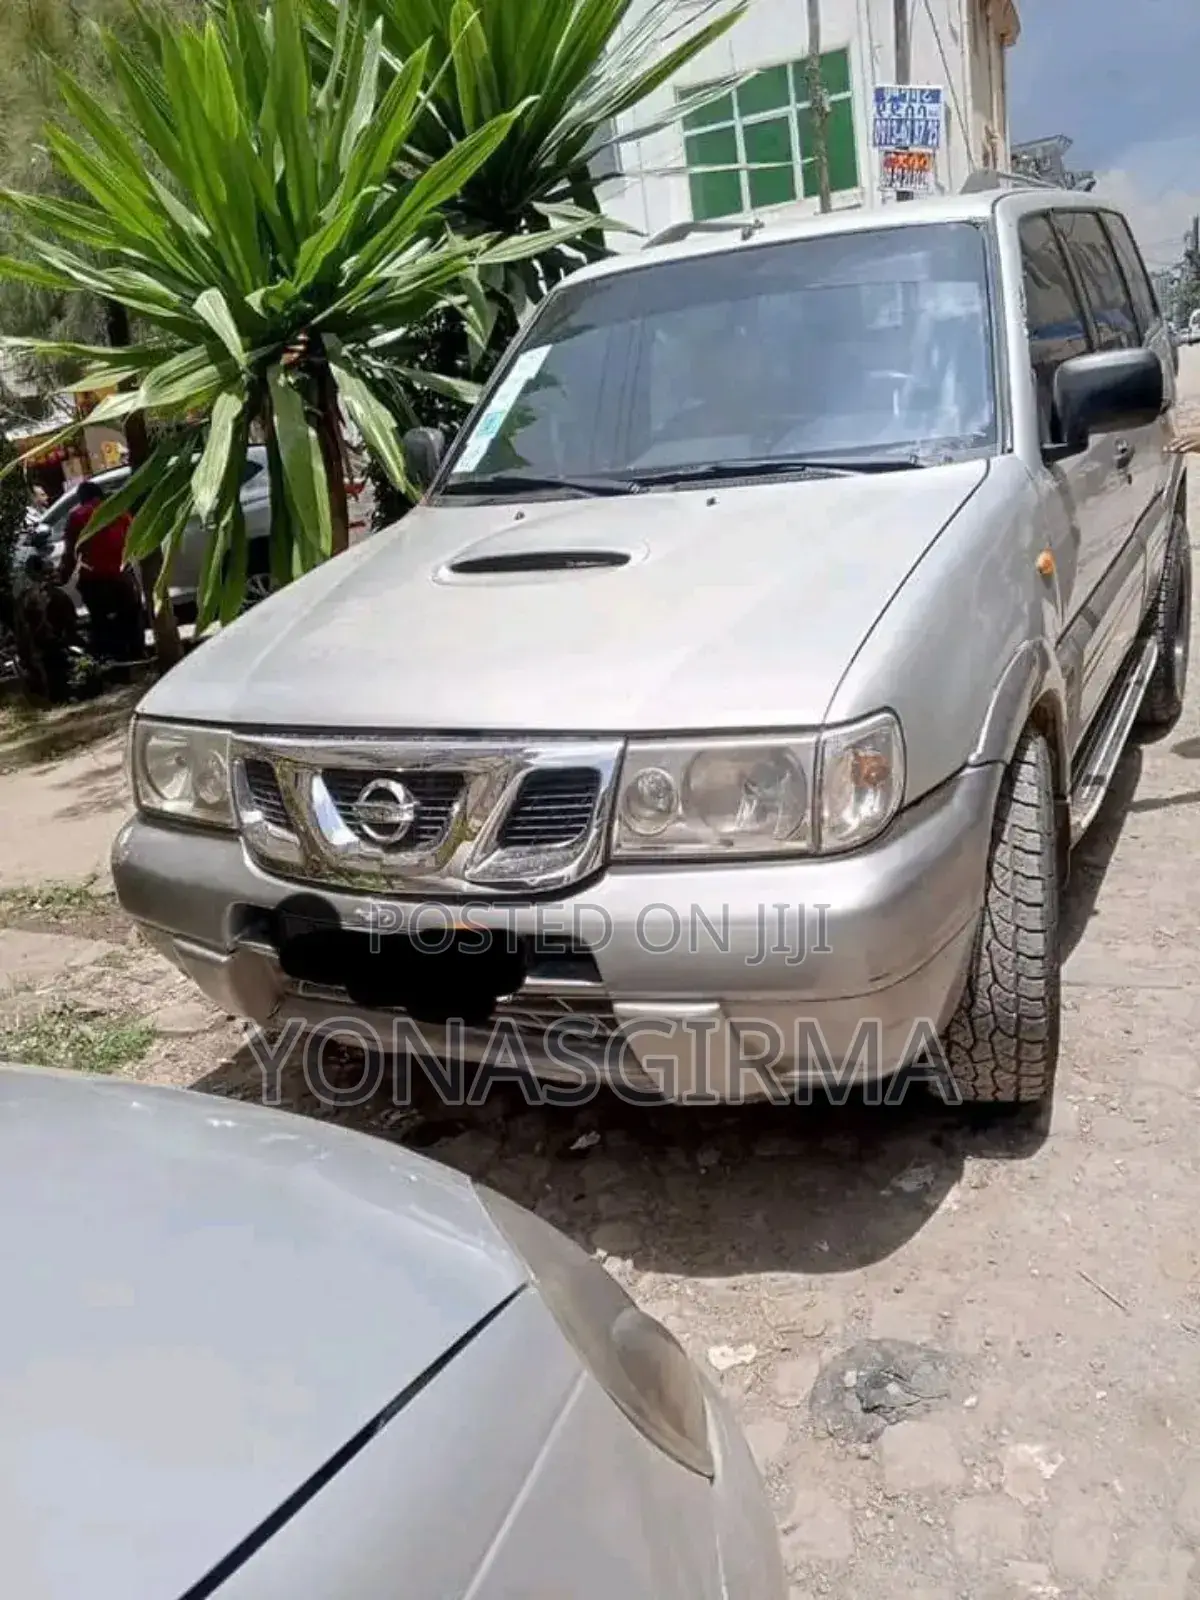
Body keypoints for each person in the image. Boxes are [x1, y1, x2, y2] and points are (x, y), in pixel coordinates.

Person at [59, 480, 145, 661]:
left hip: (95, 582)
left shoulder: (77, 516)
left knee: (102, 625)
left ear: (82, 499)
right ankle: (137, 656)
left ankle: (113, 662)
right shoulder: (120, 512)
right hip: (122, 579)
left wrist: (62, 577)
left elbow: (70, 553)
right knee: (131, 618)